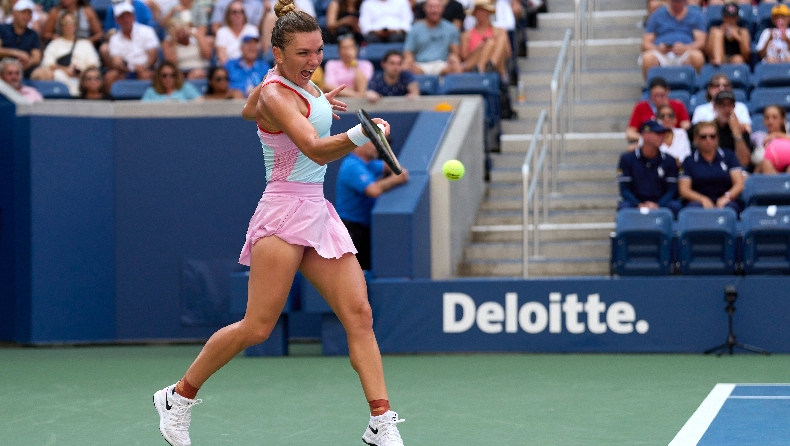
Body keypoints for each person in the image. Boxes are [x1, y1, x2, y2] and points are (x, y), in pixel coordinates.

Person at [152, 1, 407, 445]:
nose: (314, 61)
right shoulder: (274, 91)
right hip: (283, 209)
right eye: (304, 54)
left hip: (317, 210)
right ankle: (178, 397)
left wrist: (317, 103)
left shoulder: (293, 88)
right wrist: (359, 134)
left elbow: (249, 112)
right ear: (278, 54)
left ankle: (380, 422)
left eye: (318, 51)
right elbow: (311, 147)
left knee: (359, 314)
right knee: (257, 327)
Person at [336, 140, 409, 270]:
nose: (377, 147)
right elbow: (373, 191)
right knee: (356, 273)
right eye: (373, 143)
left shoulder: (370, 164)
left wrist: (397, 170)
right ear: (359, 144)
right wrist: (395, 179)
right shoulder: (351, 165)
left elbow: (392, 166)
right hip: (351, 230)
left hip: (364, 228)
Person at [617, 119, 682, 217]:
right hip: (636, 202)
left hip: (661, 202)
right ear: (645, 134)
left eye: (663, 133)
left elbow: (672, 190)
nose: (662, 136)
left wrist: (658, 205)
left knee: (675, 206)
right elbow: (625, 189)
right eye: (658, 133)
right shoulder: (627, 159)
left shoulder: (669, 160)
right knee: (624, 207)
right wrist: (639, 205)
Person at [679, 121, 744, 214]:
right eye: (703, 137)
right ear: (696, 139)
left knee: (730, 209)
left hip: (726, 201)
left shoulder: (729, 155)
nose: (708, 140)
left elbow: (739, 184)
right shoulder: (688, 160)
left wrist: (727, 197)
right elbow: (684, 190)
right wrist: (702, 199)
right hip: (697, 202)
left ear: (717, 138)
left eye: (712, 136)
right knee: (692, 210)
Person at [30, 11, 99, 96]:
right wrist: (66, 70)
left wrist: (80, 74)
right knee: (41, 73)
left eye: (71, 22)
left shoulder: (86, 44)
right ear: (61, 26)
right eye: (65, 23)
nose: (69, 25)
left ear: (76, 25)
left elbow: (93, 65)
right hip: (59, 79)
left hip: (82, 79)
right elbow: (47, 64)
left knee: (93, 76)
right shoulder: (54, 44)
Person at [639, 0, 706, 79]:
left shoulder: (696, 15)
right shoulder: (657, 15)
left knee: (697, 57)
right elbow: (645, 42)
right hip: (661, 53)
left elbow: (701, 41)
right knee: (647, 58)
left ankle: (695, 85)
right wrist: (658, 49)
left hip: (685, 53)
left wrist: (685, 48)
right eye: (674, 1)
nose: (676, 4)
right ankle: (651, 87)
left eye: (679, 2)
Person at [104, 2, 159, 92]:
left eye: (128, 15)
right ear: (117, 20)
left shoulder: (147, 31)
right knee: (110, 76)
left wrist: (144, 66)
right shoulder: (114, 38)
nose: (126, 19)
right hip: (125, 70)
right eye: (122, 17)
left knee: (145, 75)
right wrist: (122, 66)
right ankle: (110, 102)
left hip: (145, 68)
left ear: (133, 16)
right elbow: (116, 60)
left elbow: (153, 56)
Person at [626, 76, 690, 150]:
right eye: (654, 96)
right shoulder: (640, 107)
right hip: (648, 144)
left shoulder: (678, 105)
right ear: (649, 93)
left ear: (667, 91)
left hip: (674, 143)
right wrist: (649, 138)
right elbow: (630, 133)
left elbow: (686, 127)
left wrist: (671, 136)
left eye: (661, 95)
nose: (658, 99)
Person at [403, 0, 462, 76]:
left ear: (442, 9)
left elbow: (455, 51)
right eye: (431, 7)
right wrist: (409, 61)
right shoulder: (415, 28)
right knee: (405, 67)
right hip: (420, 64)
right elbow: (408, 51)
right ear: (425, 8)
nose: (434, 10)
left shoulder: (451, 28)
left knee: (456, 66)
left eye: (437, 7)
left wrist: (453, 58)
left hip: (441, 65)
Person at [459, 0, 511, 80]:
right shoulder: (467, 35)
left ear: (489, 12)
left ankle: (488, 66)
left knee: (495, 41)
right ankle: (485, 67)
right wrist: (480, 46)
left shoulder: (499, 31)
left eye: (484, 10)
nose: (482, 13)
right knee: (490, 42)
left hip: (496, 67)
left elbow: (507, 53)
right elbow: (464, 57)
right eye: (479, 10)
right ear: (475, 13)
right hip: (473, 62)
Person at [710, 90, 752, 169]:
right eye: (722, 105)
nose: (726, 109)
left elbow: (744, 162)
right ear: (715, 106)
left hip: (735, 170)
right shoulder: (707, 129)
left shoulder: (741, 129)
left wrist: (737, 134)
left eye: (729, 105)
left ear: (734, 107)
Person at [323, 33, 374, 97]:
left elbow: (362, 87)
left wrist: (354, 63)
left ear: (356, 49)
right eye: (344, 48)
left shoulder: (366, 65)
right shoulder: (331, 64)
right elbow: (329, 86)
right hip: (337, 101)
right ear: (339, 51)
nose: (347, 51)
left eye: (350, 47)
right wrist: (356, 95)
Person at [0, 0, 41, 75]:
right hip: (3, 68)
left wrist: (28, 62)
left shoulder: (33, 34)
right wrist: (17, 53)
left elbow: (36, 57)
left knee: (43, 73)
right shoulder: (2, 29)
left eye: (29, 14)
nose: (26, 17)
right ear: (14, 13)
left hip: (25, 70)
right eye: (23, 13)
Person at [214, 0, 258, 66]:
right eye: (234, 12)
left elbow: (254, 52)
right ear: (228, 15)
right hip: (229, 68)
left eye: (241, 12)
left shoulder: (252, 30)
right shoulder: (222, 32)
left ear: (244, 14)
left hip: (250, 66)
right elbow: (221, 56)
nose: (238, 15)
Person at [705, 2, 750, 66]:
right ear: (723, 18)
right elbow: (707, 52)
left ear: (736, 19)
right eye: (727, 17)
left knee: (738, 59)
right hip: (719, 58)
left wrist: (737, 37)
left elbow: (746, 56)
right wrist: (720, 36)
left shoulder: (743, 31)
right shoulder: (715, 30)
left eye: (732, 18)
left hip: (733, 58)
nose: (729, 20)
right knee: (717, 33)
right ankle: (718, 62)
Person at [752, 104, 790, 174]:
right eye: (767, 117)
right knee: (765, 164)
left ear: (782, 119)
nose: (770, 121)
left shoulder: (788, 136)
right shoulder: (758, 136)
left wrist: (777, 134)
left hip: (787, 168)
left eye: (774, 117)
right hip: (764, 171)